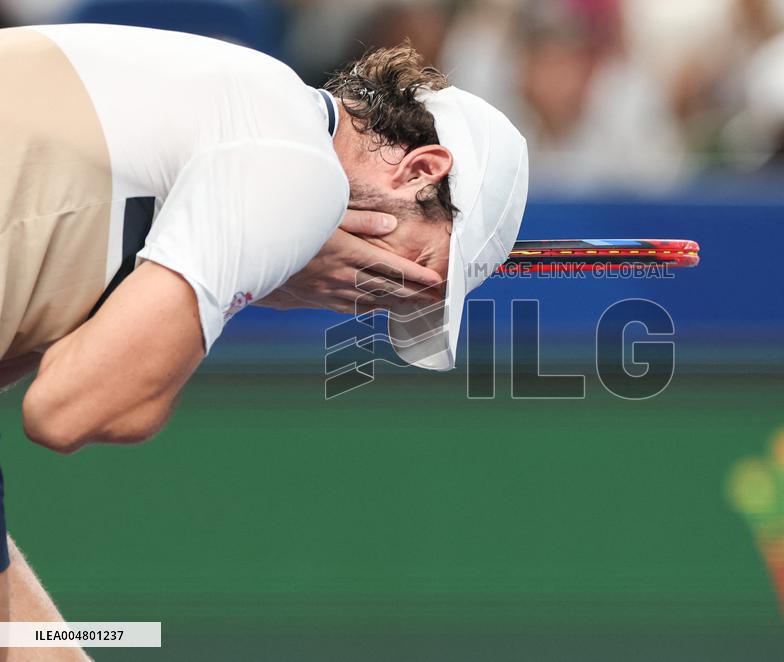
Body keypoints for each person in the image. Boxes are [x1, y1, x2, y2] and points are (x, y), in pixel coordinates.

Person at [0, 24, 528, 659]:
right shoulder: (298, 166)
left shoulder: (247, 112)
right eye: (401, 272)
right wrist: (238, 280)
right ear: (421, 169)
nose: (372, 294)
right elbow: (68, 409)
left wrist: (259, 271)